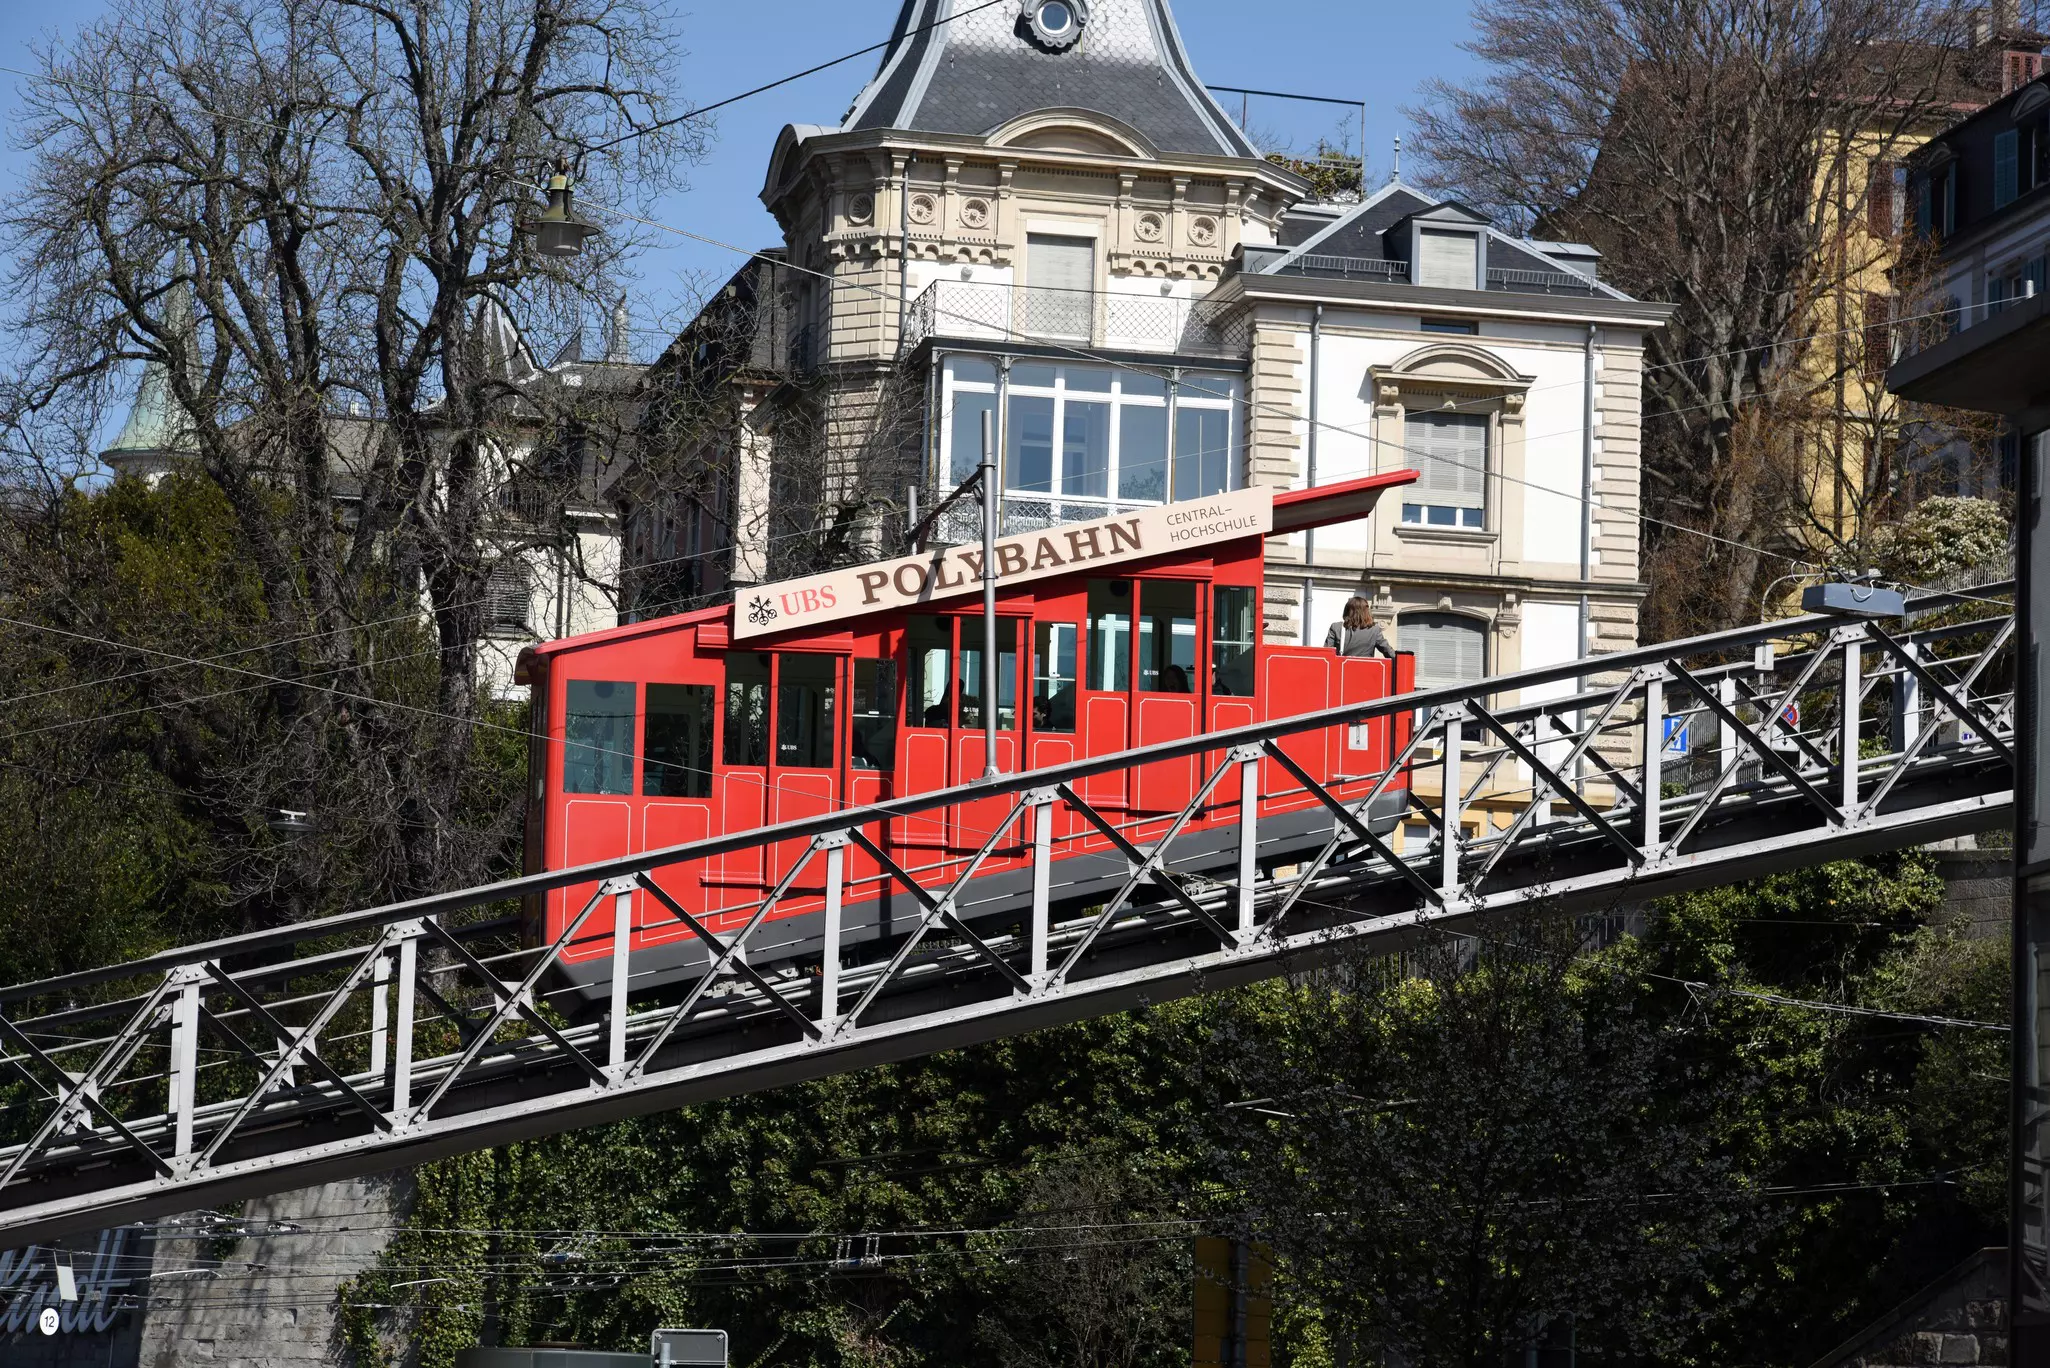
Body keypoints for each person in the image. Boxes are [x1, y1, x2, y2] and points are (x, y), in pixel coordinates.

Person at [1324, 595, 1394, 659]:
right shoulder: (1374, 630)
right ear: (1366, 612)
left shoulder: (1336, 627)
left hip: (1341, 670)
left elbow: (1326, 653)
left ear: (1347, 611)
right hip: (1365, 670)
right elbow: (1389, 652)